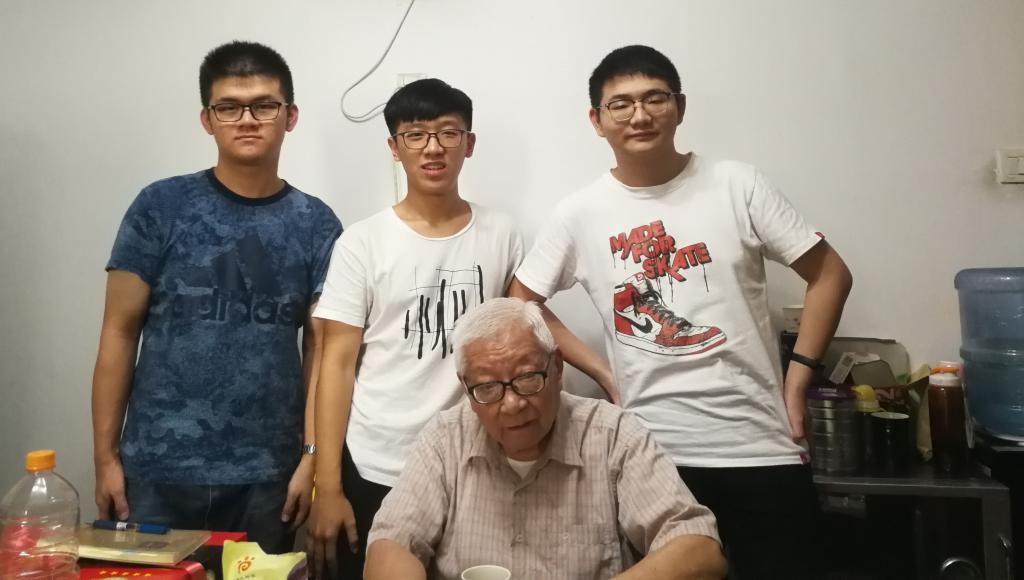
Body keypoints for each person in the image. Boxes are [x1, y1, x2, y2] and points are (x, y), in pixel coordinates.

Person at [510, 45, 853, 579]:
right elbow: (521, 304)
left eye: (655, 98)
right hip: (649, 454)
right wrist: (603, 372)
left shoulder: (738, 184)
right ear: (596, 120)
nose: (639, 115)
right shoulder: (579, 213)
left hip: (760, 445)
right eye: (621, 104)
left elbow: (830, 274)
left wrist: (798, 379)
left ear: (680, 106)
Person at [91, 40, 341, 552]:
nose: (246, 119)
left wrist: (311, 458)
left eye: (264, 105)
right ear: (207, 119)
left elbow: (321, 351)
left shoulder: (316, 223)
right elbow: (118, 332)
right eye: (229, 107)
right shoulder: (160, 206)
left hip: (269, 476)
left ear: (290, 116)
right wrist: (105, 457)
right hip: (158, 469)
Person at [307, 79, 524, 579]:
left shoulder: (502, 233)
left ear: (469, 143)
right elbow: (336, 365)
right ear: (394, 147)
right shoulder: (362, 242)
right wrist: (329, 487)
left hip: (473, 463)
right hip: (377, 462)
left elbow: (520, 337)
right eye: (416, 135)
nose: (433, 147)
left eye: (448, 132)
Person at [364, 297, 725, 580]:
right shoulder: (444, 440)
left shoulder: (614, 435)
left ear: (556, 366)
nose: (511, 405)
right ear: (466, 386)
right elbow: (391, 544)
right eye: (487, 388)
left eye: (527, 379)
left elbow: (700, 550)